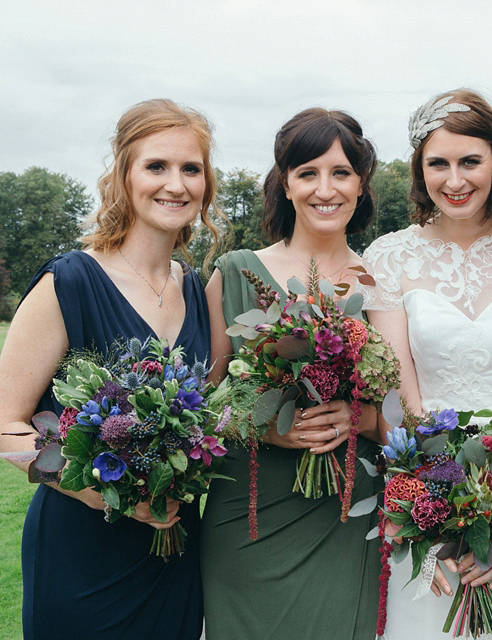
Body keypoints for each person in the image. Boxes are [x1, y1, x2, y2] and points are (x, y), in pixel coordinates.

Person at [0, 99, 220, 639]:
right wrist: (106, 495)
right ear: (124, 175)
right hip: (83, 553)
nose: (176, 184)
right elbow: (7, 426)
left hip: (173, 553)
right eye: (156, 166)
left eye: (191, 169)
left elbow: (210, 414)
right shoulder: (71, 282)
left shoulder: (195, 286)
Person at [364, 89, 492, 639]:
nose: (454, 180)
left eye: (470, 161)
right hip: (425, 479)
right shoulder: (389, 257)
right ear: (420, 170)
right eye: (439, 163)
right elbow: (399, 395)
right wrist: (431, 502)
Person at [199, 108, 383, 640]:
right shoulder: (235, 273)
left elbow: (399, 408)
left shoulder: (382, 280)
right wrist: (271, 427)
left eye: (341, 173)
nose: (325, 189)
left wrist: (361, 415)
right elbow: (208, 404)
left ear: (361, 182)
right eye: (307, 173)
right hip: (249, 513)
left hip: (345, 514)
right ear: (285, 183)